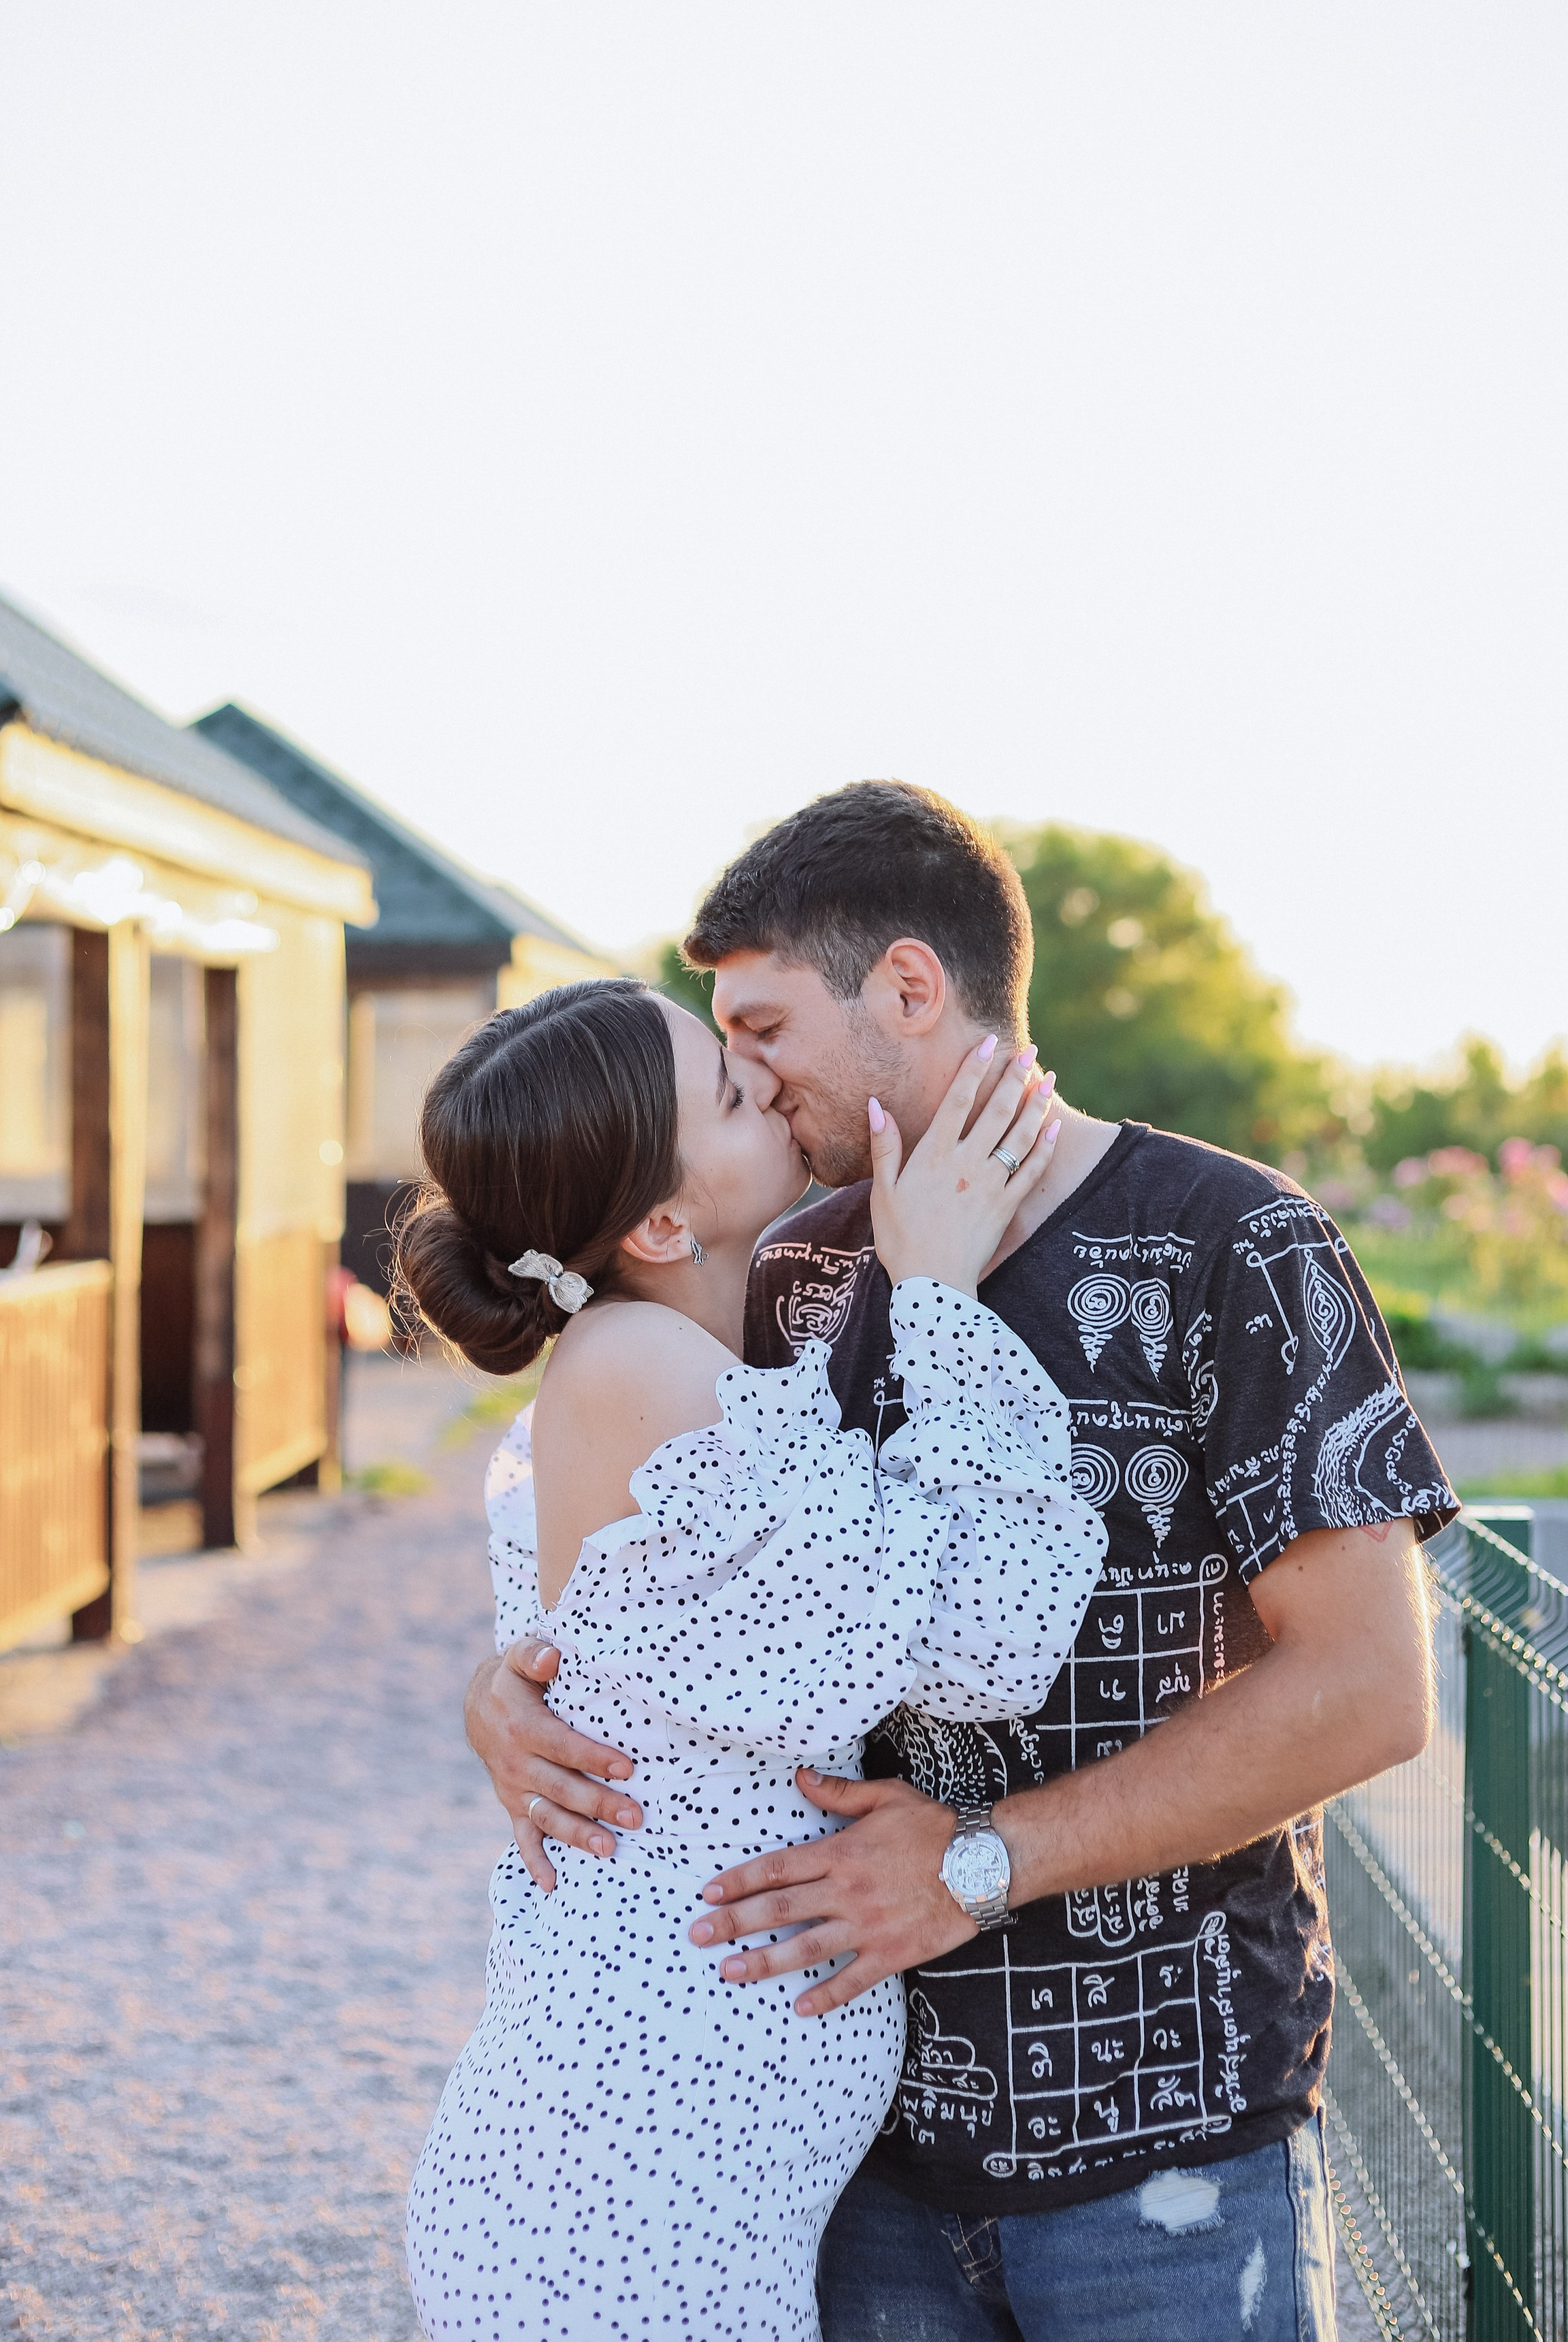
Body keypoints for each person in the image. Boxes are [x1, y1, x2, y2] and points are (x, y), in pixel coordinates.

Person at [469, 781, 1460, 2342]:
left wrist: (973, 1862)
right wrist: (515, 1691)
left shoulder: (1236, 1245)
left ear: (910, 990)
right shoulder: (780, 1277)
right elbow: (653, 1572)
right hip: (844, 2168)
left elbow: (1364, 1696)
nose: (742, 1072)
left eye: (764, 1027)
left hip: (1158, 2151)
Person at [397, 976, 1105, 2342]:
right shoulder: (635, 1363)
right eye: (725, 1089)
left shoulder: (686, 1359)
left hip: (662, 2186)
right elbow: (984, 1640)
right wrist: (942, 1292)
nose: (760, 1075)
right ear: (661, 1220)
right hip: (616, 2201)